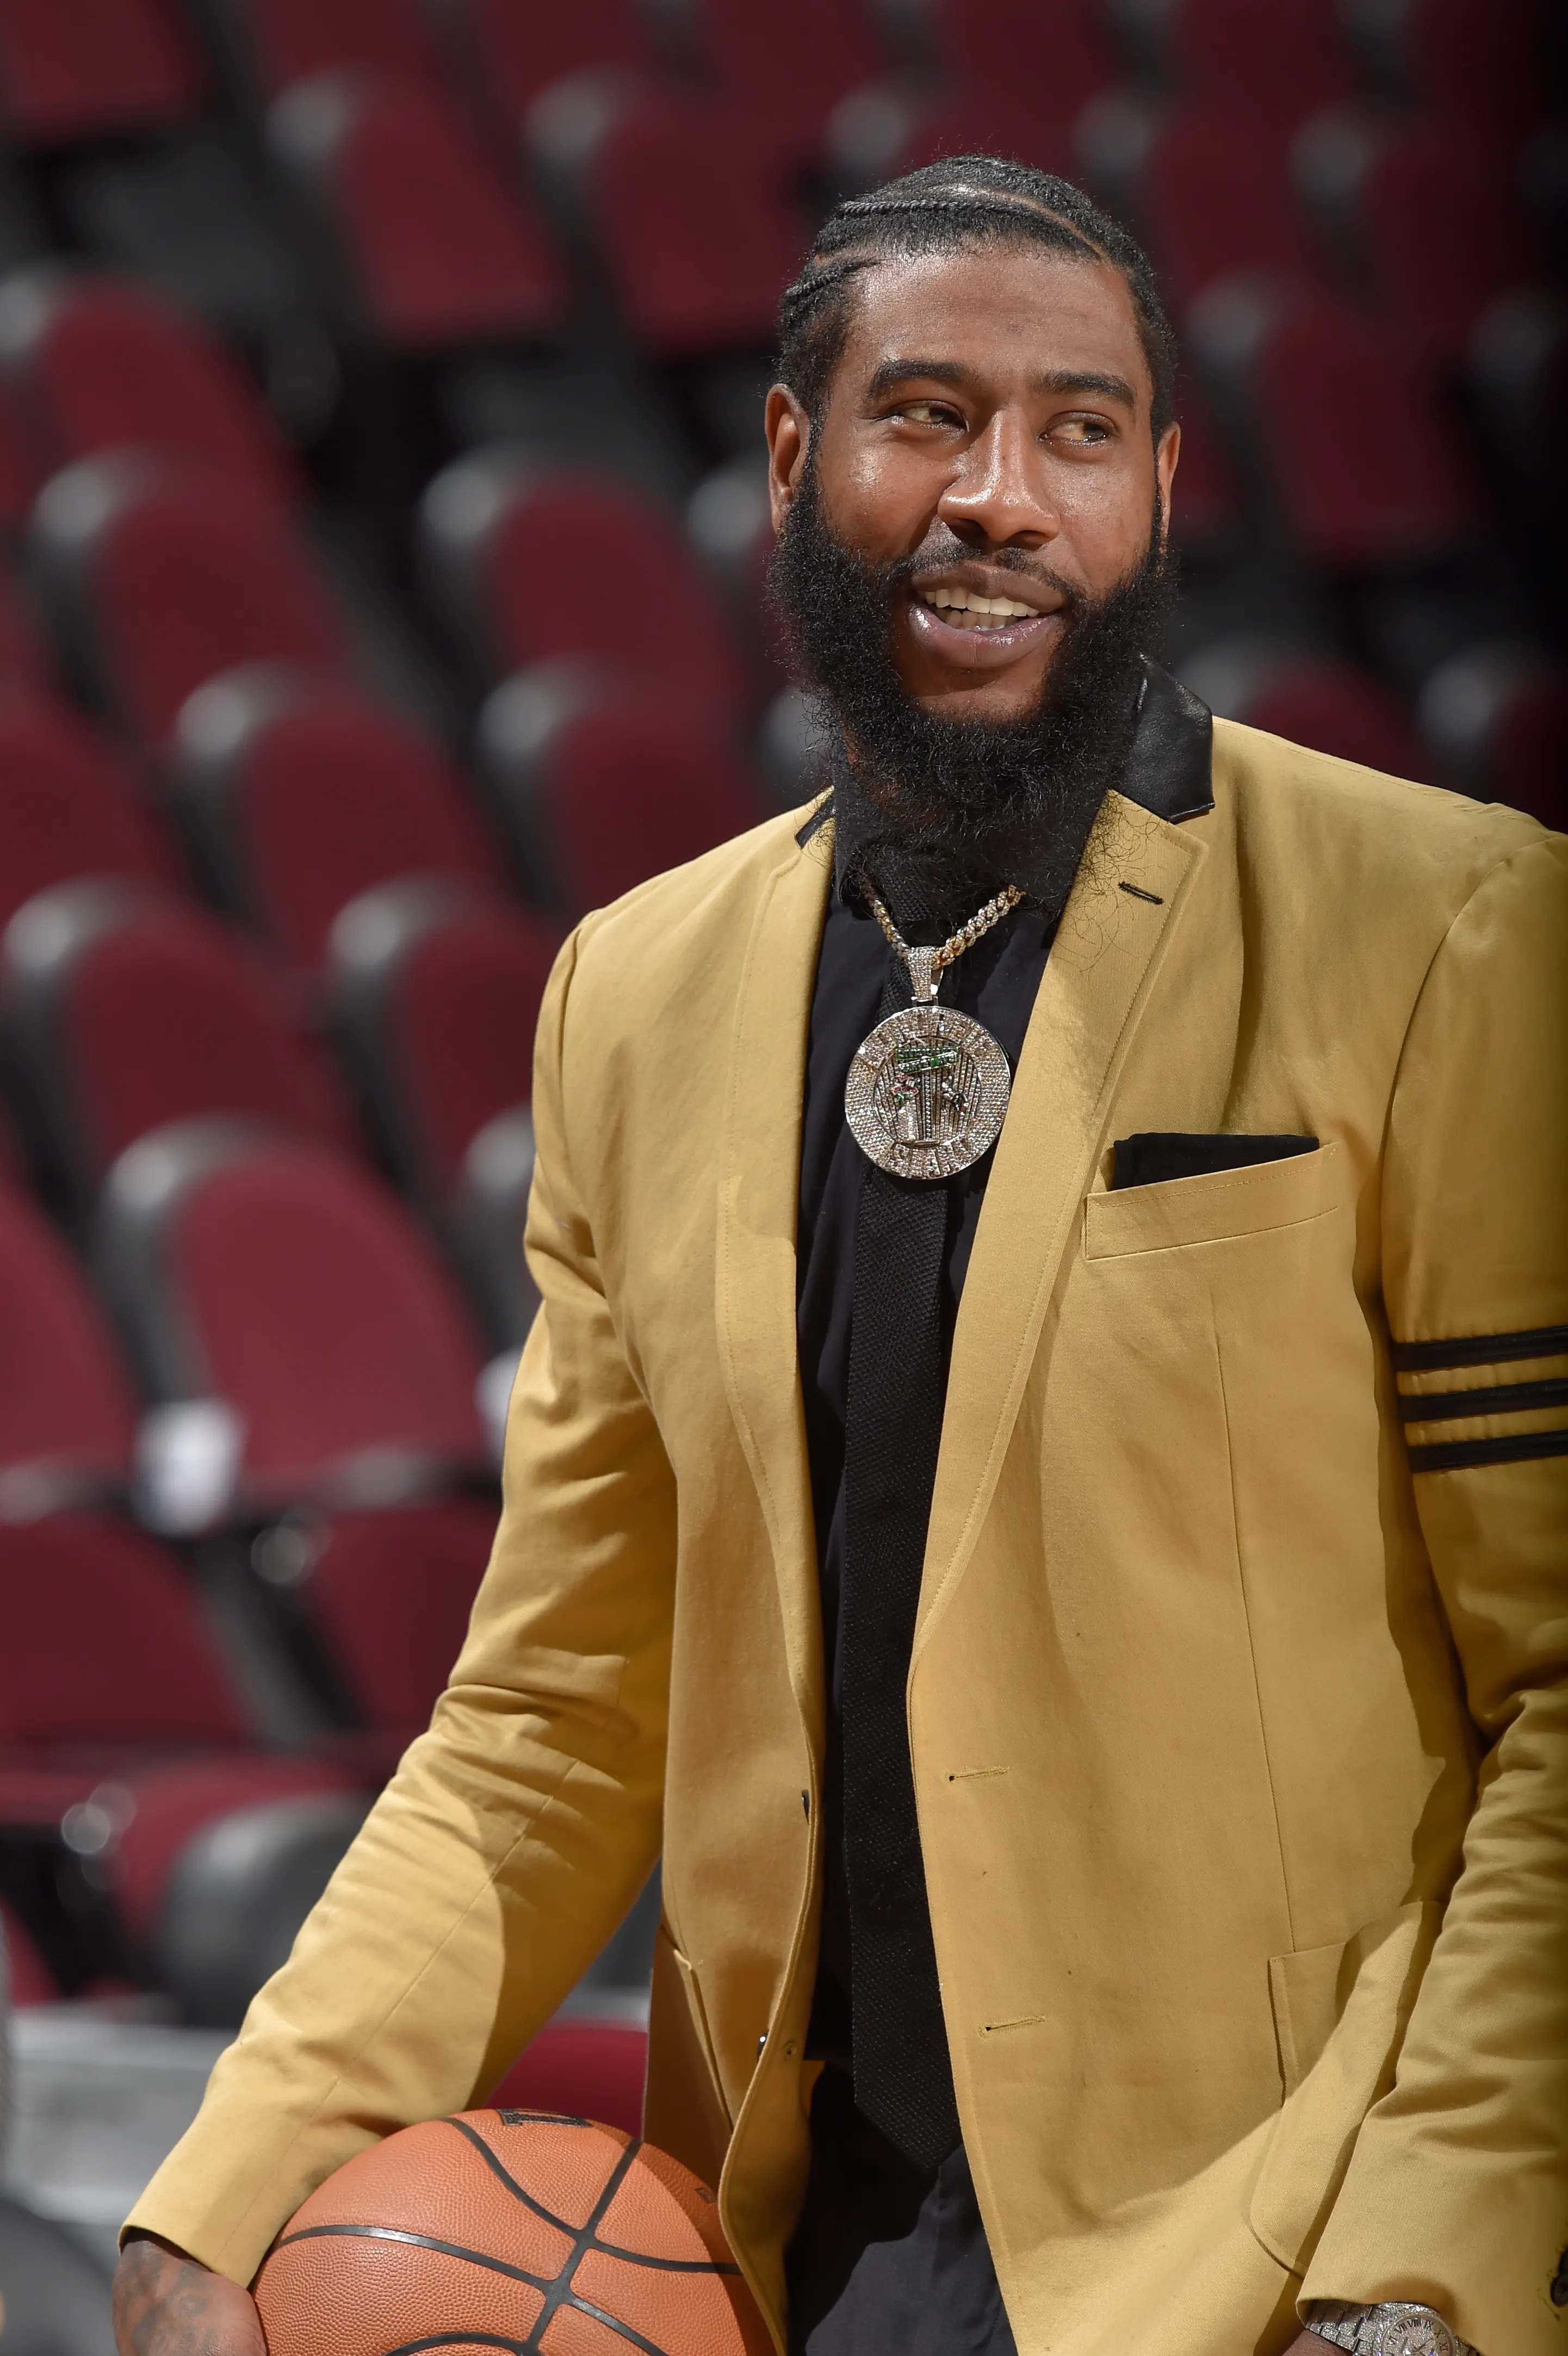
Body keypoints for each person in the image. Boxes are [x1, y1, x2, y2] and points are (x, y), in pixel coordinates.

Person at [113, 159, 1566, 2356]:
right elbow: (557, 1711)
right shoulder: (635, 988)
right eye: (928, 413)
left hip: (1284, 2241)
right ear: (797, 456)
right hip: (808, 2255)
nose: (1003, 494)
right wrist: (228, 2191)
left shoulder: (1453, 928)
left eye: (1081, 429)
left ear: (1162, 490)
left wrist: (1427, 2268)